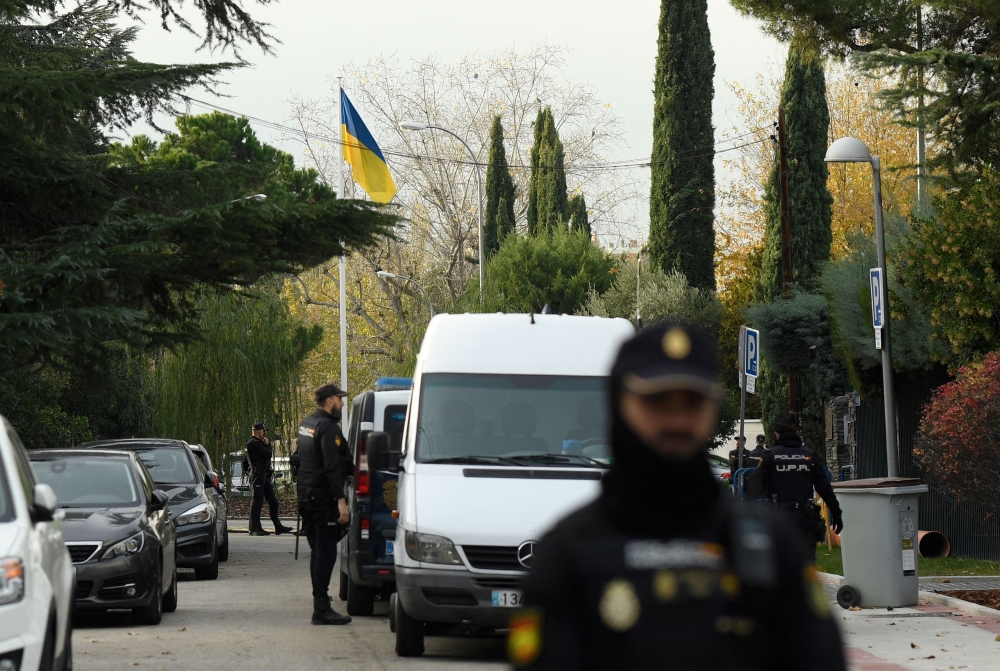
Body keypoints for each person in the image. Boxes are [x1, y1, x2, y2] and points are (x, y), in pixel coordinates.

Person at [511, 323, 845, 670]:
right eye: (656, 401)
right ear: (619, 403)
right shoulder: (567, 552)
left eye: (692, 402)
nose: (677, 421)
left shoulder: (770, 544)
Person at [295, 383, 354, 625]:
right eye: (339, 399)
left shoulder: (307, 424)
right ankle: (321, 608)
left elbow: (301, 459)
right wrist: (342, 502)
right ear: (330, 401)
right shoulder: (328, 428)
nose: (342, 403)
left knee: (317, 550)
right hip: (322, 498)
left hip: (306, 495)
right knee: (326, 551)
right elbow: (331, 467)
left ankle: (320, 602)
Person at [757, 411, 844, 558]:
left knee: (781, 564)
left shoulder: (770, 456)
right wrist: (836, 513)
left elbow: (754, 489)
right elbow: (824, 488)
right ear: (797, 431)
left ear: (776, 433)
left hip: (779, 518)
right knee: (806, 564)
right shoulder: (809, 455)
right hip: (805, 519)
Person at [246, 423, 294, 537]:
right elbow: (268, 454)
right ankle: (254, 528)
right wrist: (267, 445)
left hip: (265, 475)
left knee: (273, 501)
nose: (265, 433)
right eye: (264, 431)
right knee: (257, 501)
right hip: (258, 475)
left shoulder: (258, 443)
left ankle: (278, 526)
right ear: (258, 431)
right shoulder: (254, 443)